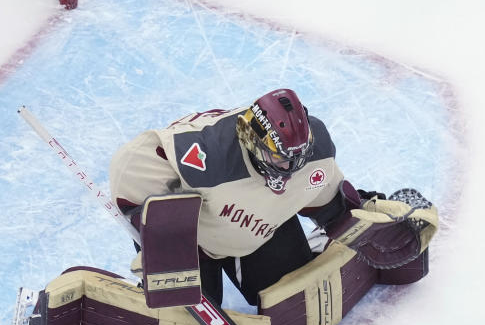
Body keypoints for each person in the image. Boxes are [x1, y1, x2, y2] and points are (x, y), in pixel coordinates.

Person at [108, 87, 423, 305]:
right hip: (197, 241)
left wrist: (363, 218)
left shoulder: (312, 154)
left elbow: (330, 200)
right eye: (280, 159)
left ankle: (307, 245)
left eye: (297, 157)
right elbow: (132, 164)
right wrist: (154, 236)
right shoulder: (206, 153)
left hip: (256, 231)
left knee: (288, 290)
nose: (290, 168)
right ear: (250, 139)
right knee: (191, 307)